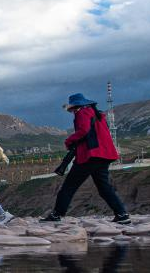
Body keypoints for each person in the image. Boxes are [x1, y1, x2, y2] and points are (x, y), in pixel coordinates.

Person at [43, 93, 130, 224]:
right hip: (103, 156)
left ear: (75, 106)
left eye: (72, 109)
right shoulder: (97, 114)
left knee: (68, 187)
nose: (72, 112)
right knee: (104, 187)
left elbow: (83, 131)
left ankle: (56, 215)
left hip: (90, 156)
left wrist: (69, 141)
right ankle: (122, 214)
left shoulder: (82, 113)